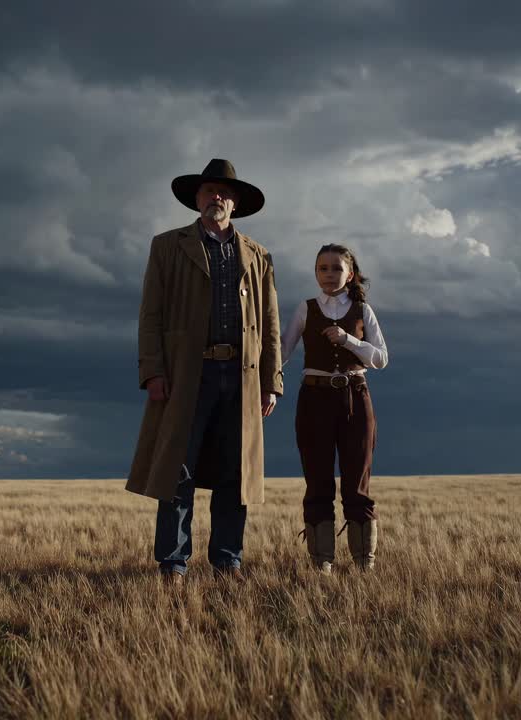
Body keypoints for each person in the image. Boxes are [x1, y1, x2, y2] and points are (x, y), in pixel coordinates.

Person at [126, 159, 283, 584]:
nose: (217, 197)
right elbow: (150, 315)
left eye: (225, 193)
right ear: (196, 199)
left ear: (236, 203)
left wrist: (272, 381)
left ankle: (228, 559)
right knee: (179, 467)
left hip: (242, 374)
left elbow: (270, 325)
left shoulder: (258, 254)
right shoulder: (167, 245)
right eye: (209, 191)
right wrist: (153, 371)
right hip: (185, 375)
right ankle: (173, 562)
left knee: (236, 471)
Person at [280, 244, 388, 572]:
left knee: (357, 482)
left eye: (336, 268)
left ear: (350, 273)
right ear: (316, 273)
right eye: (322, 268)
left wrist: (348, 341)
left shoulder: (362, 310)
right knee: (317, 481)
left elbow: (381, 358)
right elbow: (282, 351)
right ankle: (322, 564)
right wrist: (262, 382)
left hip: (356, 396)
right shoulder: (306, 308)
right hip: (313, 400)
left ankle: (363, 563)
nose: (329, 274)